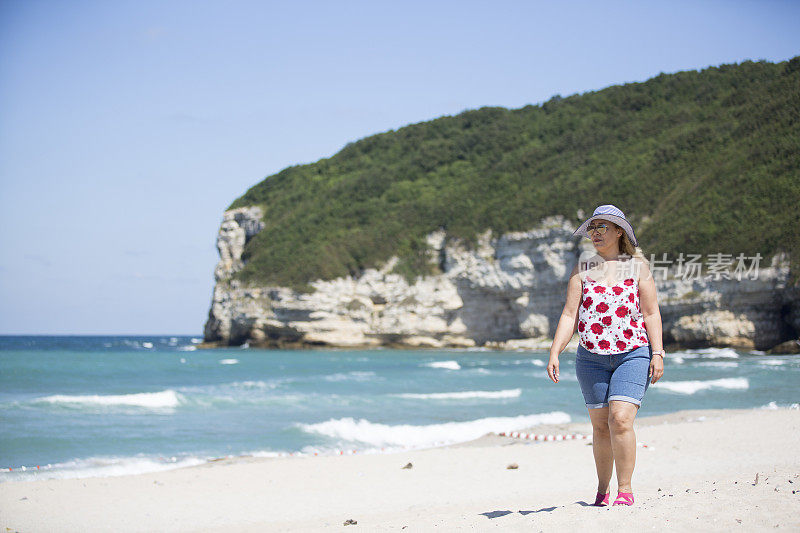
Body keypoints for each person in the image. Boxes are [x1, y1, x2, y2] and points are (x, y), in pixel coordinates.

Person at [547, 204, 665, 507]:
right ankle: (602, 489)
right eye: (592, 227)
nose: (595, 233)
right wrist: (555, 351)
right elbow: (570, 314)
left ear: (619, 231)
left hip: (634, 354)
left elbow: (651, 313)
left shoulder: (638, 267)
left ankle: (625, 489)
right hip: (591, 358)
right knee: (600, 427)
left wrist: (658, 353)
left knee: (620, 419)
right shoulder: (583, 268)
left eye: (602, 227)